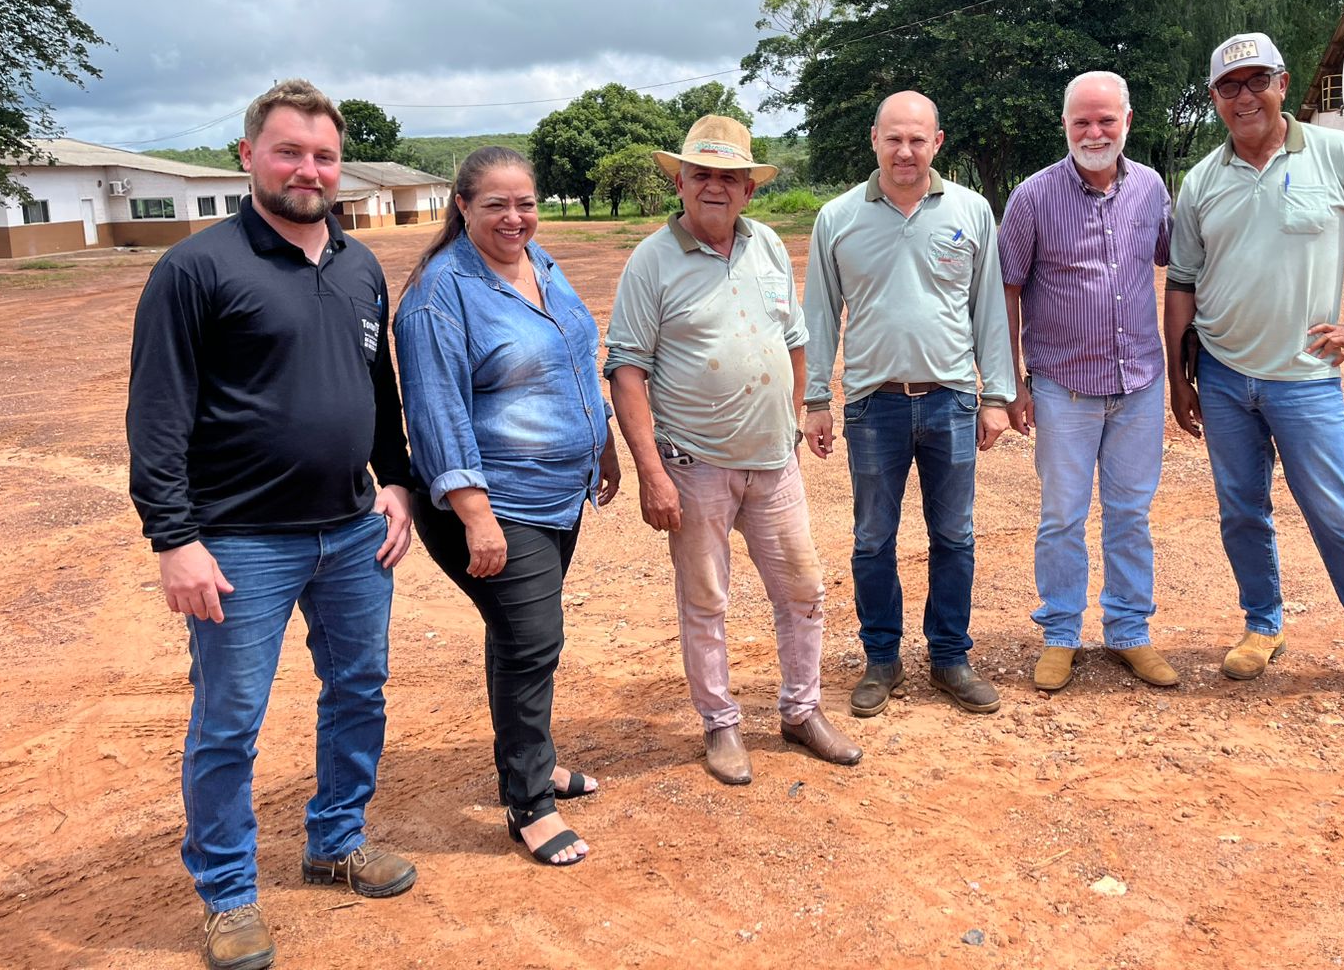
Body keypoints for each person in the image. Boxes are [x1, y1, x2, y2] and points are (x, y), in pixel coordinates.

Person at [127, 79, 417, 970]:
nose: (308, 169)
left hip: (352, 532)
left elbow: (377, 392)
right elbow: (158, 417)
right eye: (289, 151)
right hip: (239, 543)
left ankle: (335, 838)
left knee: (358, 691)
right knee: (229, 722)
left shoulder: (361, 265)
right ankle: (228, 895)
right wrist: (174, 539)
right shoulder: (196, 269)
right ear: (247, 156)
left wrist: (398, 482)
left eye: (324, 155)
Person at [1165, 32, 1344, 715]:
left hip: (1306, 380)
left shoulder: (1336, 156)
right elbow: (1184, 283)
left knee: (1337, 515)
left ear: (1284, 83)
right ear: (1215, 99)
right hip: (1223, 377)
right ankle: (1262, 624)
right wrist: (1178, 374)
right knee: (1242, 513)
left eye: (1257, 81)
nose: (1245, 97)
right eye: (1229, 87)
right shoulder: (1202, 182)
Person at [606, 115, 861, 785]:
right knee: (706, 600)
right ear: (682, 183)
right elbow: (626, 370)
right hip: (694, 466)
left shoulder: (769, 246)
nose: (715, 187)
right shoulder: (651, 261)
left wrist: (800, 416)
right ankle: (721, 725)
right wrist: (651, 472)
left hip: (774, 464)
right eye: (702, 175)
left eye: (729, 177)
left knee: (803, 590)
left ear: (748, 189)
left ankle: (801, 711)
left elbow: (796, 338)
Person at [395, 146, 620, 866]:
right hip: (495, 504)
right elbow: (435, 413)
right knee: (532, 643)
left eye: (525, 202)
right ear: (462, 206)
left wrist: (602, 444)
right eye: (496, 204)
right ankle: (530, 804)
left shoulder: (541, 264)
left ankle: (533, 759)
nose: (515, 217)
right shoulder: (439, 294)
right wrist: (475, 514)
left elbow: (575, 358)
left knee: (523, 641)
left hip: (557, 495)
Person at [803, 90, 1016, 718]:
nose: (905, 150)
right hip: (874, 407)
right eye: (894, 138)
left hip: (951, 400)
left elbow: (989, 314)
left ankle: (950, 657)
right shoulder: (837, 218)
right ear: (874, 139)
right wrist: (816, 397)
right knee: (873, 539)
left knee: (955, 534)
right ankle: (882, 660)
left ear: (937, 143)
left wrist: (996, 396)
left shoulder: (973, 212)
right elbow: (818, 317)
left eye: (917, 139)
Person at [999, 71, 1178, 693]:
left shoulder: (1152, 189)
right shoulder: (1033, 197)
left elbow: (1175, 262)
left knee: (1130, 513)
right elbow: (1008, 289)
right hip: (1062, 387)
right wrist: (1012, 382)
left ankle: (1129, 631)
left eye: (1106, 120)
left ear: (1127, 121)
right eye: (1082, 122)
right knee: (1062, 516)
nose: (1094, 132)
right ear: (1066, 127)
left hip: (1139, 384)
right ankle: (1060, 633)